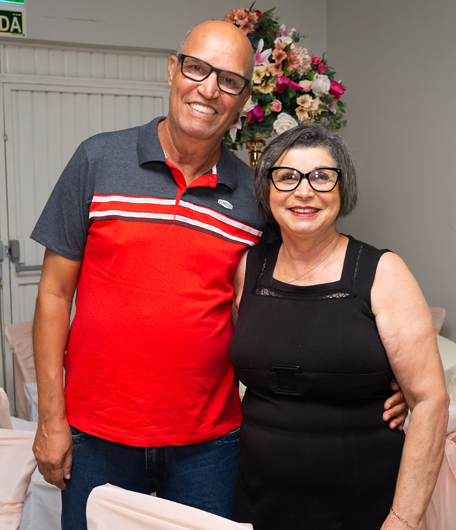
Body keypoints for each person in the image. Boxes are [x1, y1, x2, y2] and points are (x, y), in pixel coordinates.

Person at [30, 20, 407, 530]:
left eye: (229, 80)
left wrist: (383, 376)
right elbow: (54, 294)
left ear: (244, 98)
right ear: (172, 70)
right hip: (96, 435)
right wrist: (50, 419)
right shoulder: (97, 159)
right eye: (197, 69)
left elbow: (296, 297)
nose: (209, 89)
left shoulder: (256, 198)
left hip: (209, 445)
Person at [230, 123, 449, 530]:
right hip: (257, 502)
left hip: (365, 507)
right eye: (287, 177)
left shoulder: (384, 272)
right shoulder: (248, 268)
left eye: (321, 176)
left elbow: (430, 402)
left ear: (342, 189)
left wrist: (403, 520)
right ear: (267, 189)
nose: (304, 191)